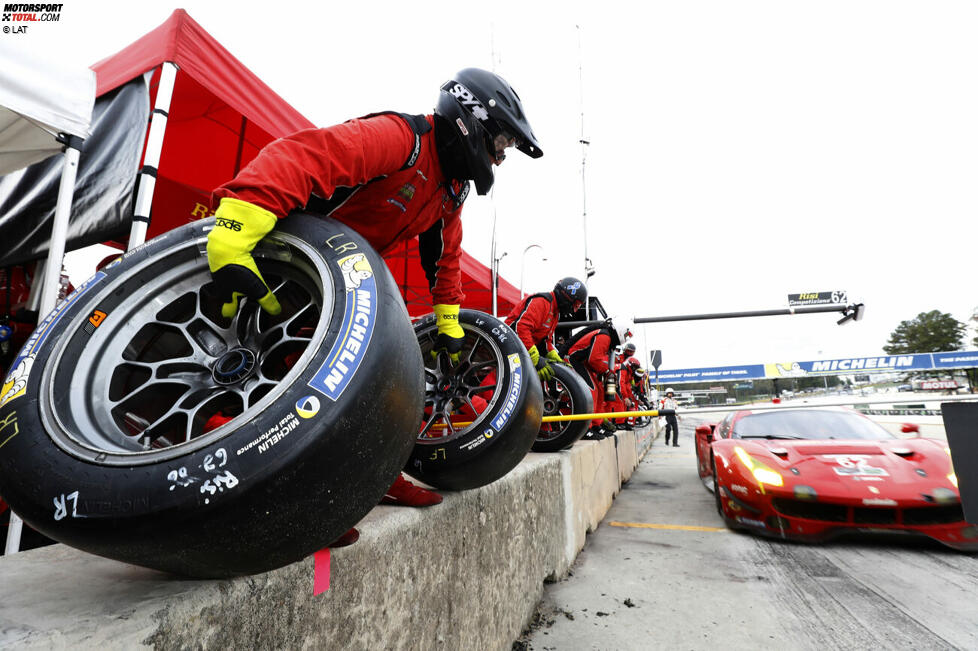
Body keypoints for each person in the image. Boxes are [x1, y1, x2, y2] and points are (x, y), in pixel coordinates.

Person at [205, 68, 543, 530]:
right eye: (500, 144)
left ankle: (373, 476)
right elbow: (305, 155)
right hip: (276, 266)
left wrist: (449, 323)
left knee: (386, 377)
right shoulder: (403, 138)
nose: (499, 160)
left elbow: (446, 258)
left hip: (330, 293)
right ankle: (265, 501)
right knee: (259, 389)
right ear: (473, 119)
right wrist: (237, 224)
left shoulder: (451, 190)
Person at [505, 277, 587, 381]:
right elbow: (520, 328)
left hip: (522, 349)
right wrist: (536, 358)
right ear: (566, 296)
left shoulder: (555, 312)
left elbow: (545, 340)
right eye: (576, 305)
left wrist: (555, 356)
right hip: (508, 344)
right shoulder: (542, 302)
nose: (574, 310)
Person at [566, 321, 632, 439]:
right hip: (573, 360)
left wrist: (607, 371)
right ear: (621, 330)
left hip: (582, 363)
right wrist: (607, 371)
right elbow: (594, 359)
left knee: (600, 392)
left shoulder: (607, 337)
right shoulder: (604, 336)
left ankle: (596, 424)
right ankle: (585, 428)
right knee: (592, 390)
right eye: (626, 335)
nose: (626, 338)